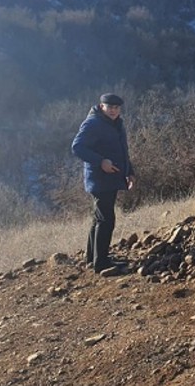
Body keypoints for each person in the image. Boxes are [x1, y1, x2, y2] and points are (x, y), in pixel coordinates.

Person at [71, 93, 135, 275]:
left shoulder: (116, 123)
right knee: (106, 220)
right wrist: (100, 162)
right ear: (101, 107)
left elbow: (123, 150)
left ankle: (94, 258)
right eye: (110, 107)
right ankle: (101, 263)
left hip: (113, 177)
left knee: (99, 218)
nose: (114, 110)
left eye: (116, 108)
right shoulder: (93, 123)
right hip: (100, 179)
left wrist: (129, 171)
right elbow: (77, 147)